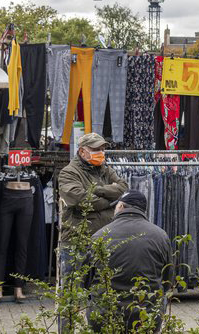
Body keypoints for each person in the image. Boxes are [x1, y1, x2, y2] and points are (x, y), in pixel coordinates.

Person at [84, 190, 171, 333]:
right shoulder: (161, 236)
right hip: (146, 316)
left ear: (121, 207)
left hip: (106, 315)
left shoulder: (99, 236)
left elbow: (86, 280)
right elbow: (167, 280)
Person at [58, 133, 128, 274]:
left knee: (101, 290)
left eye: (102, 149)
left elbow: (124, 188)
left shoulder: (105, 169)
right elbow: (80, 199)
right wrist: (110, 201)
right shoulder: (68, 173)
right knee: (76, 291)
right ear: (82, 151)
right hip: (77, 243)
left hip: (105, 242)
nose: (101, 153)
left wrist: (96, 190)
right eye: (96, 149)